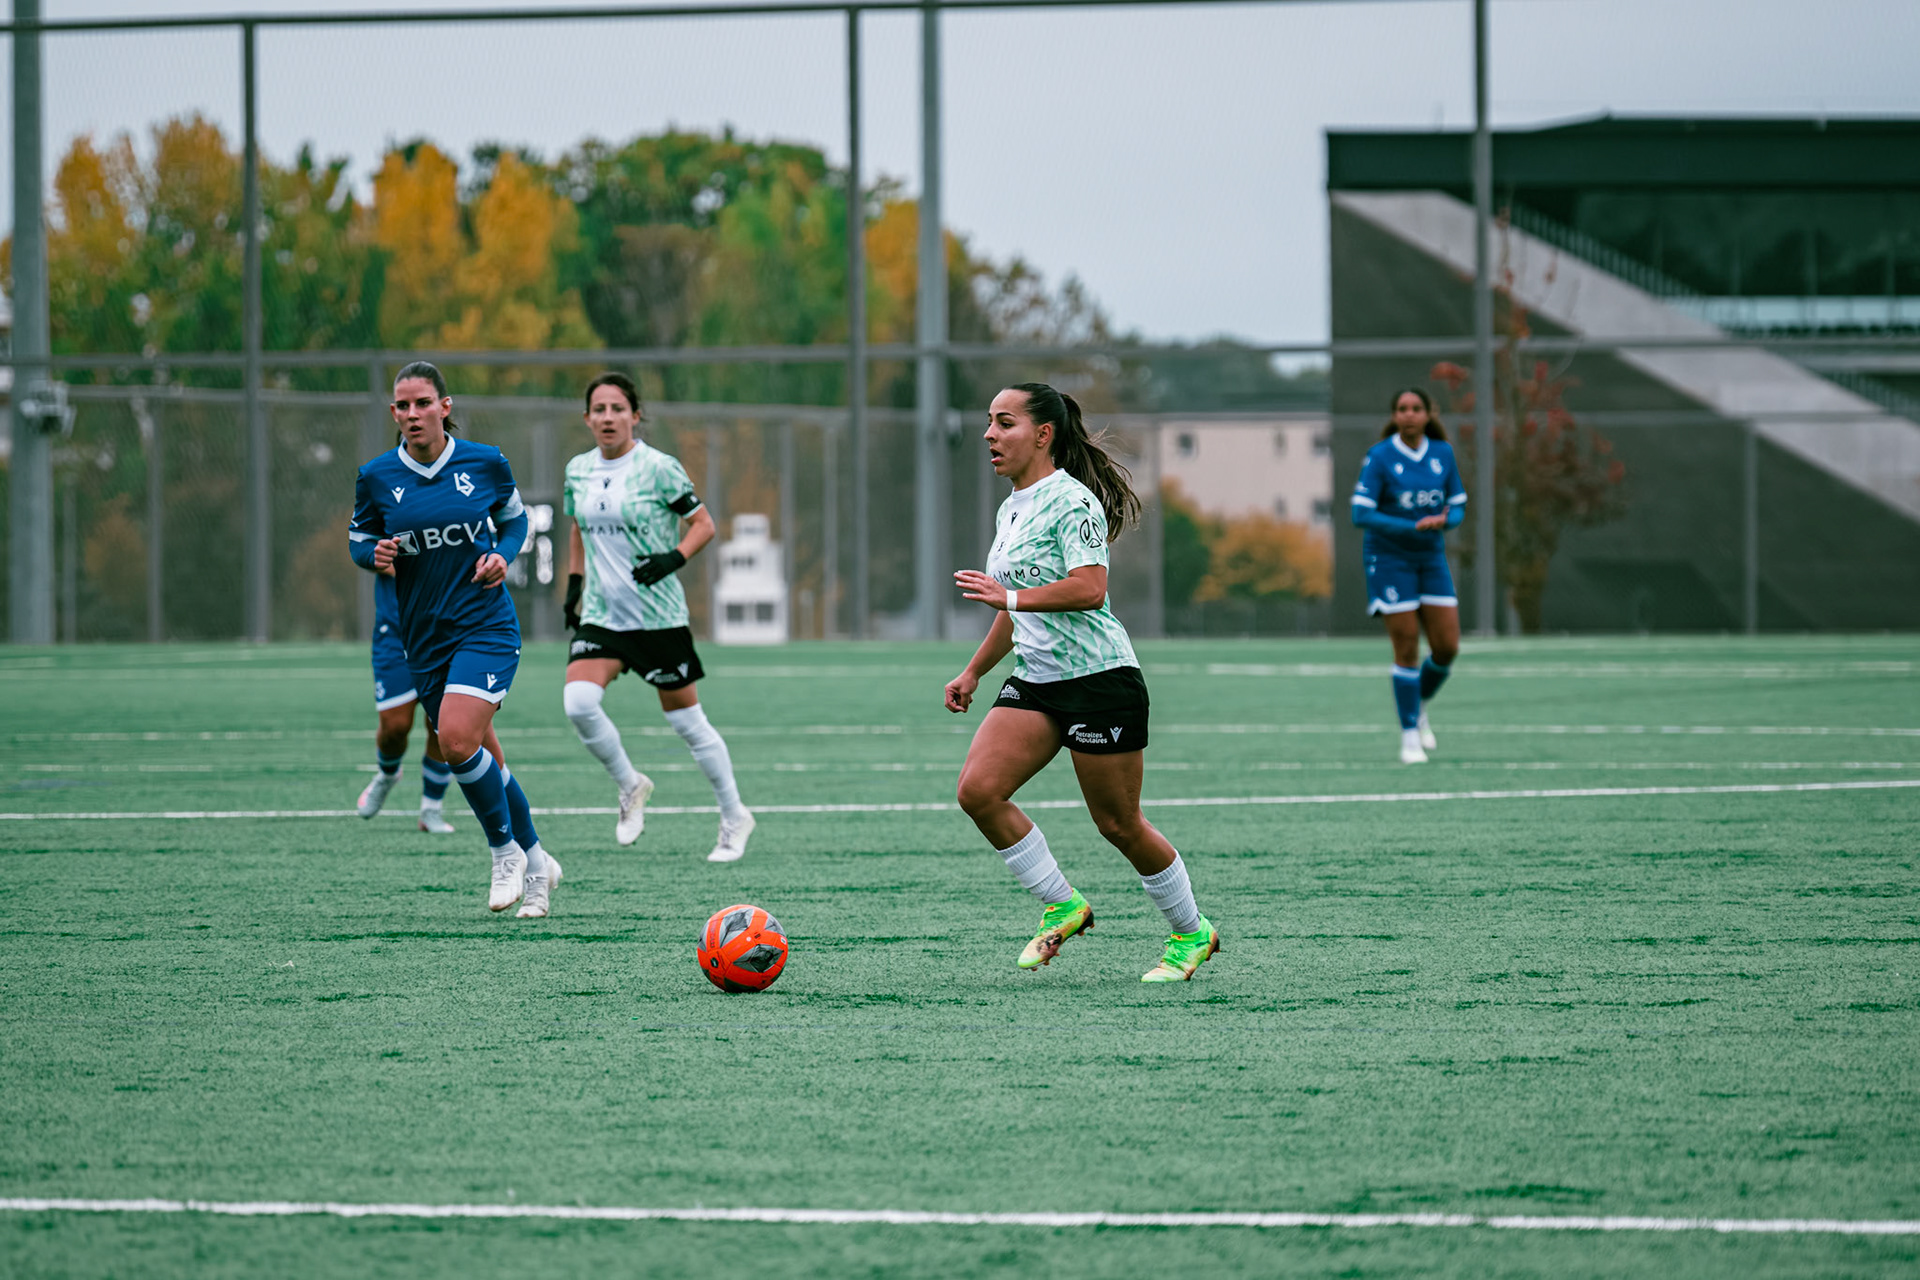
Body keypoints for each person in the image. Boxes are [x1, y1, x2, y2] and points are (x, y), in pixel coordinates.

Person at [944, 382, 1219, 983]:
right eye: (989, 422)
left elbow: (1089, 588)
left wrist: (1010, 595)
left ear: (1043, 434)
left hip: (1099, 682)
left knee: (1119, 824)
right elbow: (1015, 609)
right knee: (979, 792)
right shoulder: (1011, 505)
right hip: (1038, 681)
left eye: (1005, 423)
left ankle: (1192, 932)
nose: (989, 434)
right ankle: (1064, 904)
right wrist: (974, 671)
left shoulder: (1073, 502)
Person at [348, 361, 562, 917]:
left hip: (485, 626)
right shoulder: (375, 477)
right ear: (393, 412)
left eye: (422, 403)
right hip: (423, 639)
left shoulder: (485, 463)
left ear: (445, 406)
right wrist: (373, 554)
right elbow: (358, 540)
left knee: (456, 740)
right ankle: (538, 864)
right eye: (402, 405)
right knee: (486, 755)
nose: (412, 414)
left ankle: (504, 853)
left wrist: (502, 554)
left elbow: (515, 524)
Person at [558, 372, 754, 863]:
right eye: (599, 409)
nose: (608, 418)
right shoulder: (577, 470)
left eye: (618, 409)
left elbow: (703, 524)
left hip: (657, 617)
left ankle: (734, 817)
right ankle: (630, 784)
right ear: (587, 419)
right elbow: (578, 529)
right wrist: (574, 585)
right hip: (603, 615)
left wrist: (673, 558)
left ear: (635, 416)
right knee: (579, 701)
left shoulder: (658, 468)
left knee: (688, 723)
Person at [1349, 387, 1465, 765]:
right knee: (1408, 646)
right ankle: (1410, 734)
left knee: (1447, 647)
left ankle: (1419, 703)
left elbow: (1458, 505)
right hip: (1389, 560)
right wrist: (1410, 526)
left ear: (1429, 414)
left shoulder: (1442, 454)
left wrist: (1446, 520)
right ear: (1395, 415)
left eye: (1416, 408)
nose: (1410, 414)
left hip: (1431, 559)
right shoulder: (1381, 456)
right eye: (1402, 409)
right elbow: (1360, 514)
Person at [354, 569, 456, 833]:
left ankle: (431, 808)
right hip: (396, 632)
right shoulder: (388, 525)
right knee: (394, 726)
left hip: (443, 630)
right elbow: (365, 547)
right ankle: (388, 774)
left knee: (443, 721)